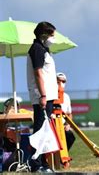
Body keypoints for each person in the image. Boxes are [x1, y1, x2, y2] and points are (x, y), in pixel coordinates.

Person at [26, 21, 58, 172]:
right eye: (52, 35)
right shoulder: (37, 49)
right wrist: (43, 95)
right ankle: (36, 164)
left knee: (45, 131)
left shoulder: (43, 49)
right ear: (44, 35)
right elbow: (38, 73)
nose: (53, 38)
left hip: (48, 96)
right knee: (40, 130)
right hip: (42, 96)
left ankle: (44, 164)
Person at [56, 72, 75, 151]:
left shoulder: (66, 97)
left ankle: (63, 156)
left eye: (63, 82)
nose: (61, 83)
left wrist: (68, 125)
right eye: (58, 81)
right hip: (53, 125)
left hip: (63, 125)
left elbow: (69, 114)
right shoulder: (49, 95)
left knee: (71, 137)